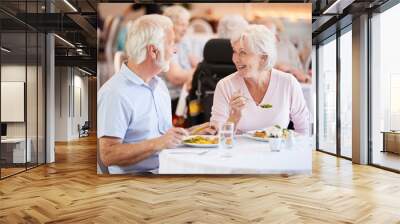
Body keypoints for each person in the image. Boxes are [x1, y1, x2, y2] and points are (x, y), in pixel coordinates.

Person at [98, 15, 214, 174]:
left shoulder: (159, 86)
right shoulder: (115, 93)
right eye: (171, 43)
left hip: (166, 169)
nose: (175, 50)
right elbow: (108, 155)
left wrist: (193, 132)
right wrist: (158, 143)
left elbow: (163, 137)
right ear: (153, 51)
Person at [210, 25, 310, 134]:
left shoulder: (288, 83)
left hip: (278, 150)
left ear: (263, 58)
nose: (235, 59)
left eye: (243, 52)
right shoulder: (225, 86)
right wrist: (235, 116)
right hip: (239, 151)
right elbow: (216, 136)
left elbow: (304, 131)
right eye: (234, 51)